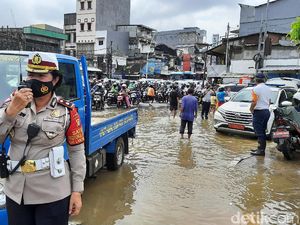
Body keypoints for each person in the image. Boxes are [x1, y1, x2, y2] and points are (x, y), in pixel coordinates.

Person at [0, 52, 86, 225]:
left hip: (53, 193)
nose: (34, 80)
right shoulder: (11, 105)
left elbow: (76, 152)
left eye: (41, 75)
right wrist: (10, 113)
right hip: (17, 192)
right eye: (31, 74)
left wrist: (77, 191)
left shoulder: (67, 111)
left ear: (54, 80)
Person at [250, 73, 272, 156]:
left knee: (259, 132)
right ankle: (260, 149)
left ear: (256, 80)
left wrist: (251, 109)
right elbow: (269, 101)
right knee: (262, 131)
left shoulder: (255, 89)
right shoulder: (269, 89)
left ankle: (261, 150)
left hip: (259, 112)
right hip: (266, 111)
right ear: (264, 80)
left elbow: (254, 101)